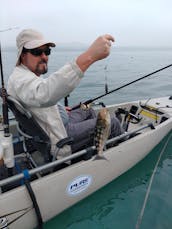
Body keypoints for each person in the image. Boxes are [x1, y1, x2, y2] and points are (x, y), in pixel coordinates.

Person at [7, 29, 123, 159]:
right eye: (37, 52)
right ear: (22, 55)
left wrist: (58, 108)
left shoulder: (23, 76)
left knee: (87, 110)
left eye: (47, 51)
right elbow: (44, 93)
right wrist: (90, 56)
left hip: (54, 123)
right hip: (58, 135)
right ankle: (121, 152)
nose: (44, 56)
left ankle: (95, 146)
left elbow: (36, 96)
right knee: (112, 123)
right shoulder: (20, 80)